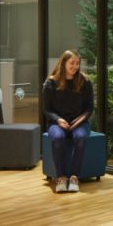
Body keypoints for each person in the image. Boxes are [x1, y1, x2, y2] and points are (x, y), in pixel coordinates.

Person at [42, 50, 94, 193]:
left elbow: (89, 108)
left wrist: (77, 123)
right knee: (58, 137)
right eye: (72, 63)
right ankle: (61, 177)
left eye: (77, 63)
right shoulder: (51, 82)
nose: (75, 66)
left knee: (81, 137)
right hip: (57, 122)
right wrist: (58, 120)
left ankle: (74, 177)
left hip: (80, 122)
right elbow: (47, 109)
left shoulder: (85, 81)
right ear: (63, 63)